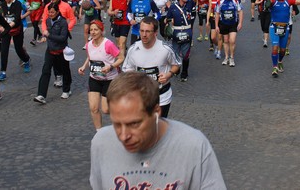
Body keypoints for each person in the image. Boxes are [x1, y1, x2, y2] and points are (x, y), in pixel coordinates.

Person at [89, 71, 226, 190]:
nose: (124, 136)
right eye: (117, 124)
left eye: (134, 124)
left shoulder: (194, 146)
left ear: (156, 112)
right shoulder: (101, 143)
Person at [122, 17, 181, 117]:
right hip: (141, 96)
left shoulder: (165, 49)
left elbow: (177, 65)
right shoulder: (133, 49)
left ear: (155, 33)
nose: (144, 35)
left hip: (162, 96)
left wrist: (168, 75)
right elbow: (127, 69)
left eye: (148, 31)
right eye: (142, 31)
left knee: (159, 128)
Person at [78, 19, 123, 129]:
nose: (93, 32)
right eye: (91, 30)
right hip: (94, 78)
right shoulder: (89, 45)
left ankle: (121, 113)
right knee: (93, 108)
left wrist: (111, 66)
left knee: (106, 109)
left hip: (110, 80)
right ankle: (99, 132)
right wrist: (83, 67)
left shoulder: (108, 44)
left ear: (101, 31)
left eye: (96, 30)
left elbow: (121, 58)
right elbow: (90, 58)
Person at [268, 0, 300, 77]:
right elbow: (267, 3)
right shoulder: (273, 1)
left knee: (283, 50)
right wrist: (267, 2)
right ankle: (275, 67)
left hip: (285, 27)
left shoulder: (287, 1)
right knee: (275, 47)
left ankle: (280, 61)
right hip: (274, 27)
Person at [34, 3, 72, 103]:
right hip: (50, 50)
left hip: (61, 50)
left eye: (52, 12)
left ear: (57, 12)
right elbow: (47, 34)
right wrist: (44, 37)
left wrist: (49, 35)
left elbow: (63, 38)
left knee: (65, 71)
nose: (50, 14)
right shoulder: (47, 21)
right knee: (45, 71)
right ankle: (41, 95)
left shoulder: (63, 22)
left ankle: (66, 90)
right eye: (49, 12)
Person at [0, 0, 32, 81]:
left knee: (18, 48)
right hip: (6, 30)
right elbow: (0, 16)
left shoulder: (18, 4)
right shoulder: (2, 4)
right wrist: (0, 26)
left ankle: (26, 60)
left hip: (17, 29)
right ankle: (3, 71)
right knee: (4, 50)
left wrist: (9, 26)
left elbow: (17, 18)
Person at [166, 0, 197, 81]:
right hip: (176, 33)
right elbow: (168, 18)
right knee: (175, 53)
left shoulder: (190, 4)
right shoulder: (173, 7)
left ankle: (184, 72)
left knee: (186, 55)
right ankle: (177, 69)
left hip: (187, 32)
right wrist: (167, 23)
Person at [214, 0, 243, 66]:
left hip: (233, 24)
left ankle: (232, 57)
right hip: (223, 24)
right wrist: (216, 25)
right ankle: (226, 57)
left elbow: (240, 12)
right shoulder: (220, 1)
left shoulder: (235, 0)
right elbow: (217, 14)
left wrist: (240, 23)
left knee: (232, 41)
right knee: (226, 41)